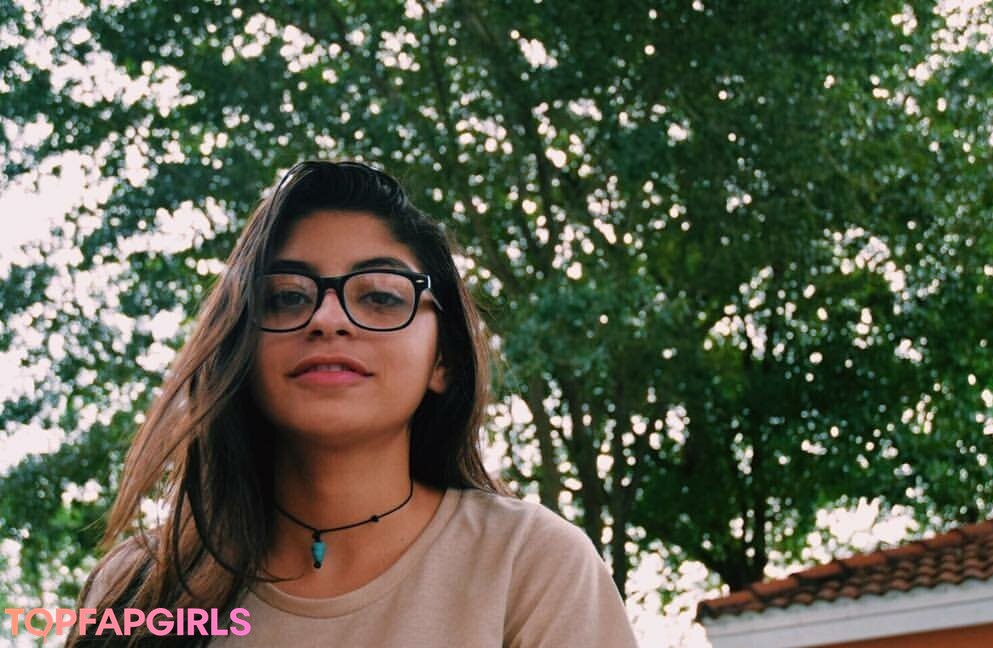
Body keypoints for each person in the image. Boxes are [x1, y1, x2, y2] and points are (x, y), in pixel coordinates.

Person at [70, 160, 639, 647]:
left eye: (382, 296)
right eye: (287, 297)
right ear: (240, 346)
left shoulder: (530, 564)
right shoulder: (140, 589)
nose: (327, 318)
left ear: (442, 360)